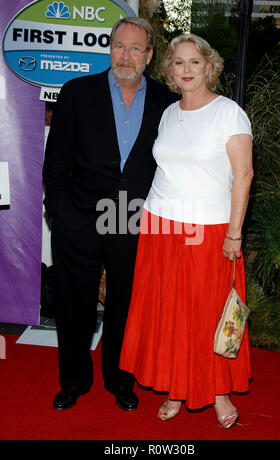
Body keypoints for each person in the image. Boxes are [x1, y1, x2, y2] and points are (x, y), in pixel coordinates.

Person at [42, 17, 177, 411]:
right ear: (110, 48)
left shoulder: (166, 102)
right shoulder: (77, 92)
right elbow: (56, 163)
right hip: (80, 219)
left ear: (149, 56)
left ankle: (120, 379)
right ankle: (74, 381)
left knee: (127, 304)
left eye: (136, 48)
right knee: (74, 304)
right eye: (119, 46)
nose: (126, 55)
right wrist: (60, 214)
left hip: (135, 221)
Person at [119, 34, 254, 429]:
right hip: (160, 225)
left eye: (195, 62)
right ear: (169, 71)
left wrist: (234, 233)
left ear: (209, 67)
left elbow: (243, 175)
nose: (187, 70)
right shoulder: (168, 112)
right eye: (179, 63)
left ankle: (218, 392)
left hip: (210, 230)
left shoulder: (229, 113)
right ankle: (176, 389)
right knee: (169, 313)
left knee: (209, 313)